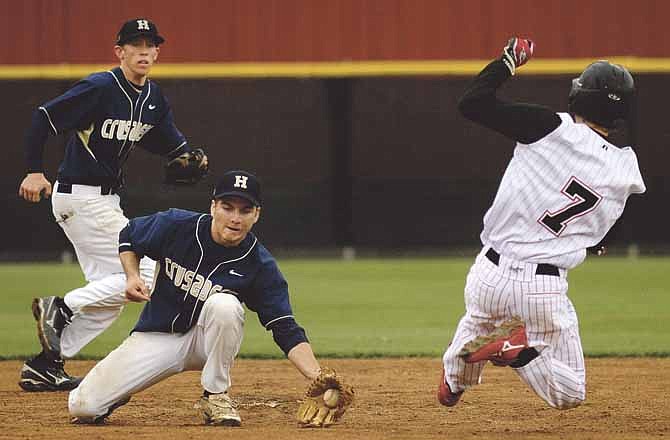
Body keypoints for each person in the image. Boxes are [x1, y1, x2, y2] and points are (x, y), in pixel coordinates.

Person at [437, 37, 646, 410]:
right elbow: (598, 229)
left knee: (475, 330)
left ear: (580, 97)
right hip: (542, 290)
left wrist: (508, 61)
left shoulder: (550, 127)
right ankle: (518, 353)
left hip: (488, 274)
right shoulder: (626, 170)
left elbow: (472, 103)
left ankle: (454, 380)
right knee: (570, 394)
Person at [68, 170, 348, 426]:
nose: (235, 218)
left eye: (245, 210)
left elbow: (284, 326)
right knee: (83, 406)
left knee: (224, 305)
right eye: (227, 207)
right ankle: (120, 389)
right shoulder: (178, 225)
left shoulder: (260, 265)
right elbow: (129, 235)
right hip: (159, 336)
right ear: (213, 206)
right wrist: (131, 275)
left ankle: (215, 395)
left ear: (256, 215)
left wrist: (316, 376)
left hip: (208, 341)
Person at [18, 18, 208, 392]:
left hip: (99, 200)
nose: (144, 51)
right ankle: (62, 307)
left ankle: (45, 365)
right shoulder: (100, 86)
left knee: (117, 292)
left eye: (150, 45)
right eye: (135, 45)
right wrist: (32, 171)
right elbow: (43, 118)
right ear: (119, 52)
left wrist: (190, 159)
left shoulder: (152, 99)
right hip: (80, 196)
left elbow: (168, 145)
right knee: (149, 273)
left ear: (157, 52)